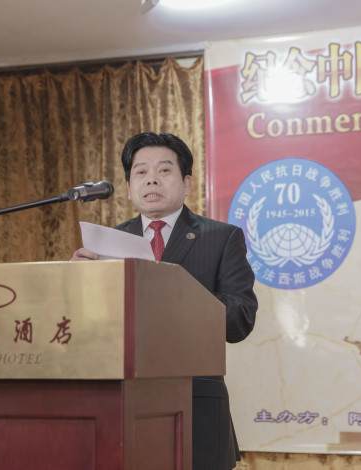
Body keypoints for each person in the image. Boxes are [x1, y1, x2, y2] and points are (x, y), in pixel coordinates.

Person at [71, 131, 258, 469]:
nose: (152, 179)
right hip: (122, 405)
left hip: (196, 408)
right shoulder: (107, 243)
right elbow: (88, 329)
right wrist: (79, 285)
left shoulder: (222, 238)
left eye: (164, 170)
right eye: (141, 172)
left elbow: (240, 319)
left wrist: (174, 293)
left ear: (186, 183)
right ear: (129, 187)